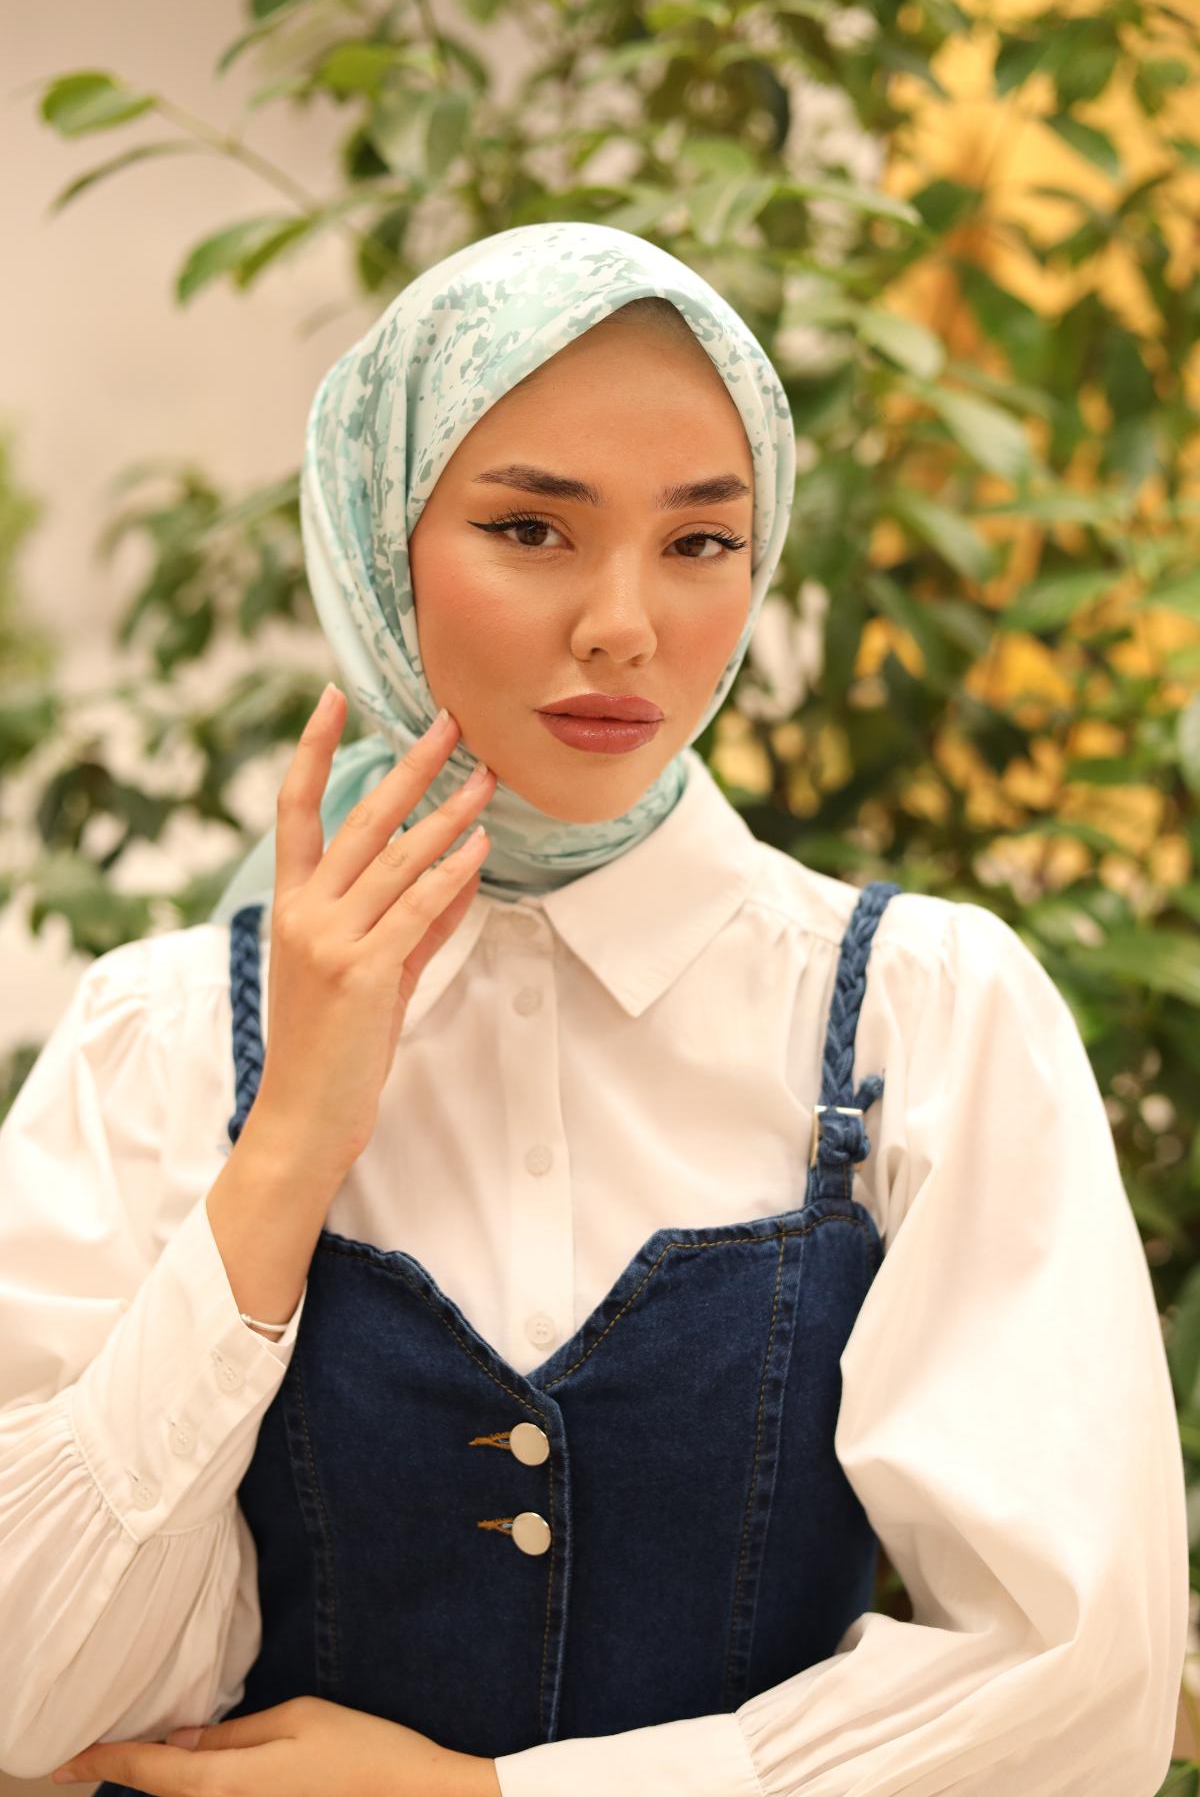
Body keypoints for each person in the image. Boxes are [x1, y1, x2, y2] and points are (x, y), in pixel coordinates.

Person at [0, 221, 1186, 1795]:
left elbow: (1075, 1685)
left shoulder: (926, 1021)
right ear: (381, 540)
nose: (625, 623)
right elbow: (27, 1687)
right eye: (532, 529)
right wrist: (287, 1145)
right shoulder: (161, 1040)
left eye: (700, 541)